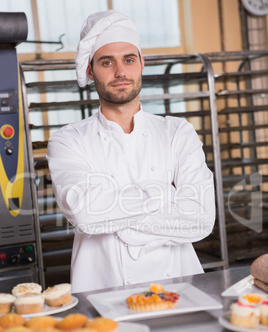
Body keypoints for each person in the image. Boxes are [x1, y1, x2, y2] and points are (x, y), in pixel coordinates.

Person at [47, 10, 215, 293]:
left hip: (181, 291)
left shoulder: (177, 132)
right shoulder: (68, 141)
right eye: (106, 62)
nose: (120, 72)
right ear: (91, 70)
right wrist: (165, 194)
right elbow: (86, 213)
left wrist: (116, 220)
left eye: (128, 59)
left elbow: (199, 218)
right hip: (103, 293)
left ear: (142, 64)